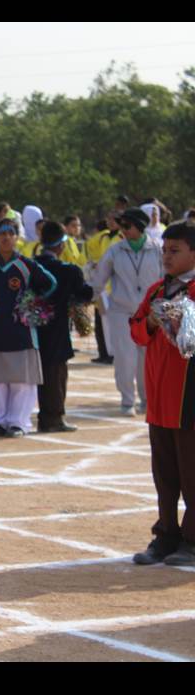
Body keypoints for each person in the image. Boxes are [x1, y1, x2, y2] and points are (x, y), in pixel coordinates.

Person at [129, 220, 195, 566]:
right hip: (159, 398)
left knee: (191, 472)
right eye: (165, 251)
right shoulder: (157, 291)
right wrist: (152, 323)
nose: (167, 258)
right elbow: (136, 331)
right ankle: (166, 534)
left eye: (175, 251)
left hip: (189, 399)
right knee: (165, 474)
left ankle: (192, 540)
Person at [0, 218, 57, 437]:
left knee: (22, 379)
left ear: (17, 237)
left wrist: (31, 301)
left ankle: (18, 422)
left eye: (10, 233)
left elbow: (50, 283)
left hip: (22, 328)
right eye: (1, 234)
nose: (6, 238)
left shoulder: (26, 264)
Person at [91, 208, 163, 416]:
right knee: (124, 357)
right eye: (121, 226)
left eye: (127, 226)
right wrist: (88, 297)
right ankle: (127, 400)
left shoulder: (157, 249)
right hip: (121, 312)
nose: (123, 230)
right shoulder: (115, 251)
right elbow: (99, 279)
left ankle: (147, 400)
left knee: (147, 359)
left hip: (150, 314)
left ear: (139, 227)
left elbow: (167, 278)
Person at [34, 221, 94, 433]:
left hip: (32, 328)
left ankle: (44, 415)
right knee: (56, 373)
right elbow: (85, 293)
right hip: (58, 328)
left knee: (40, 373)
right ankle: (53, 418)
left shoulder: (30, 264)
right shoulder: (68, 270)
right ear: (61, 246)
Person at [85, 212, 122, 364]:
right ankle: (105, 352)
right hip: (102, 285)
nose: (110, 222)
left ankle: (114, 353)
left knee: (112, 322)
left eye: (113, 220)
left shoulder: (121, 237)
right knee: (101, 320)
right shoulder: (104, 237)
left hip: (115, 286)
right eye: (109, 219)